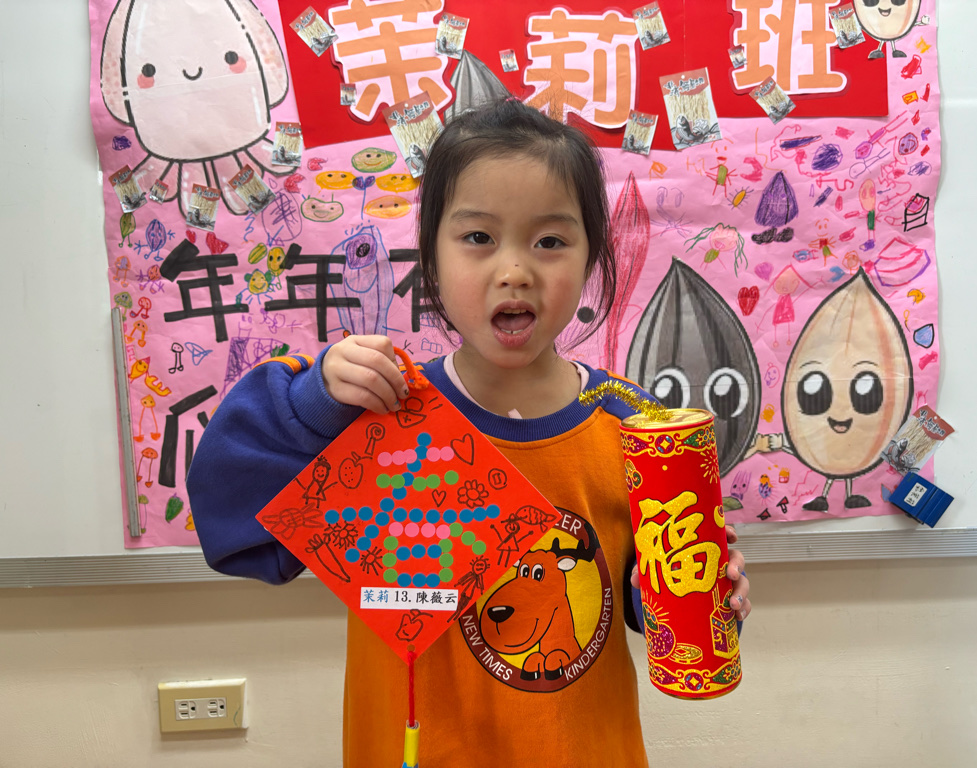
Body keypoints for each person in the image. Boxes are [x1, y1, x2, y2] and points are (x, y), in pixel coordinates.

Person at [188, 98, 752, 767]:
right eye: (478, 238)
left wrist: (692, 590)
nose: (514, 271)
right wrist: (310, 405)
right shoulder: (377, 414)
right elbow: (231, 525)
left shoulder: (637, 427)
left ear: (592, 258)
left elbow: (641, 599)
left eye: (550, 241)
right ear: (430, 258)